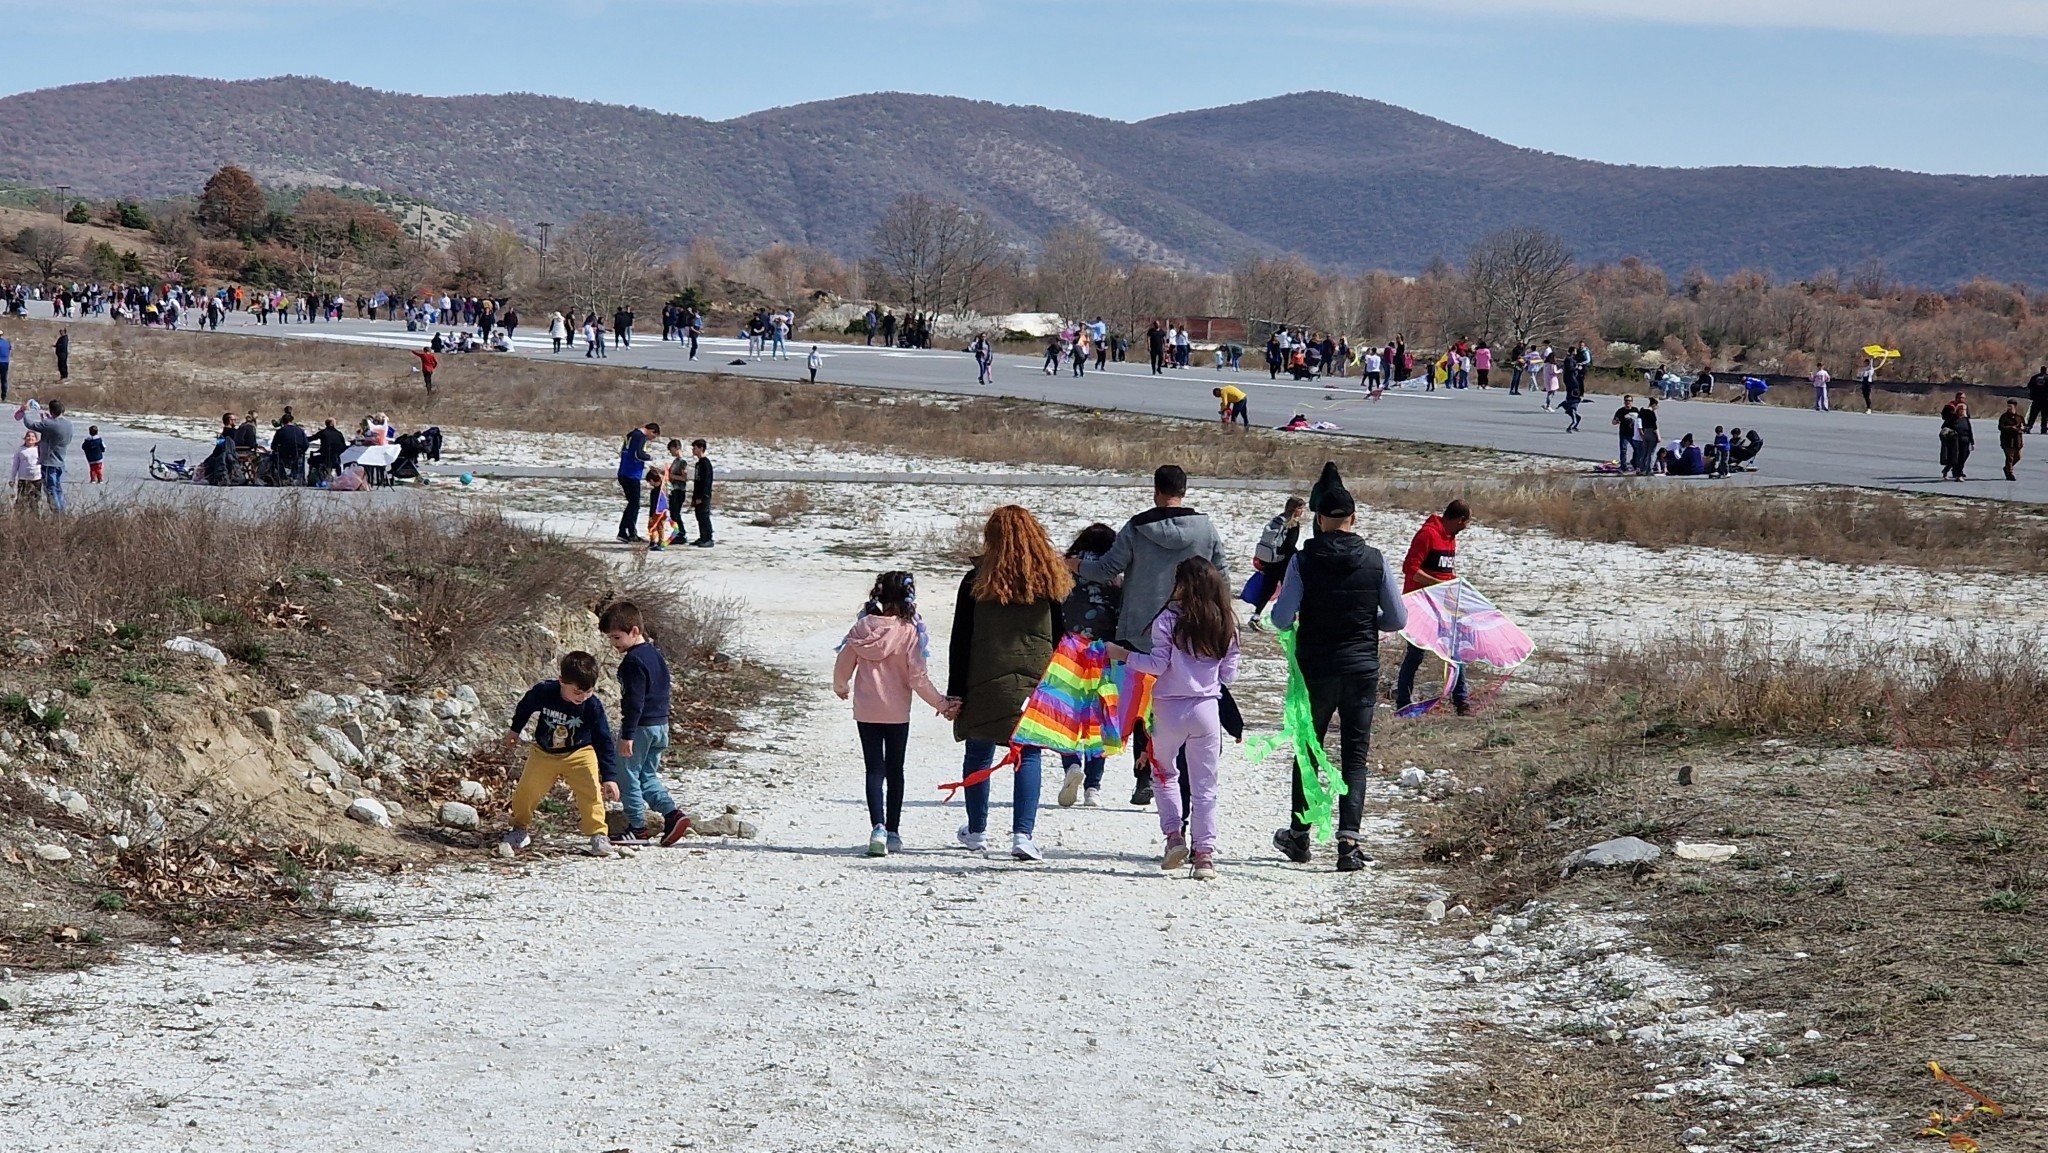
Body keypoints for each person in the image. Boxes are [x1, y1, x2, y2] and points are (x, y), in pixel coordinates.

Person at [1267, 485, 1406, 872]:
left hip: (1316, 668)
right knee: (1355, 756)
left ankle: (1299, 836)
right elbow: (1397, 619)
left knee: (1309, 751)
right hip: (1361, 668)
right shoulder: (1375, 560)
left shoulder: (1303, 561)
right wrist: (1366, 624)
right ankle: (1348, 843)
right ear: (1354, 518)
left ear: (1320, 520)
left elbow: (1281, 617)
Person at [1077, 465, 1232, 806]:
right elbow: (1221, 575)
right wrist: (1222, 618)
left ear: (1156, 490)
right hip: (1194, 625)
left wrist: (1072, 565)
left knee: (1144, 704)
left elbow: (1106, 570)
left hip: (1140, 628)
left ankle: (1145, 777)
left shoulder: (1137, 527)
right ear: (1184, 491)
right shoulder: (1205, 528)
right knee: (1188, 697)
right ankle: (1181, 780)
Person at [947, 505, 1071, 862]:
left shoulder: (976, 579)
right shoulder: (1048, 578)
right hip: (1036, 678)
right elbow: (1062, 635)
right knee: (1028, 753)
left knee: (979, 751)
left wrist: (956, 690)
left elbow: (961, 639)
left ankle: (977, 831)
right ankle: (1023, 835)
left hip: (985, 676)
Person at [1107, 558, 1239, 881]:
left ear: (1181, 584)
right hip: (1207, 710)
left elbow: (1157, 665)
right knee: (1205, 786)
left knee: (1164, 773)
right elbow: (1230, 675)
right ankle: (1205, 855)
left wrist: (1122, 655)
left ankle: (1173, 837)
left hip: (1168, 709)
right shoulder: (1225, 622)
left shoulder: (1167, 619)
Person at [834, 572, 954, 856]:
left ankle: (876, 826)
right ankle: (893, 831)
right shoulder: (909, 632)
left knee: (874, 770)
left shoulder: (862, 627)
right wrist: (942, 704)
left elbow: (843, 664)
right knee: (895, 771)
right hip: (897, 712)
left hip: (866, 709)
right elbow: (918, 679)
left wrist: (841, 687)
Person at [501, 652, 618, 858]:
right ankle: (519, 829)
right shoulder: (545, 691)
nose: (581, 697)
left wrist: (609, 777)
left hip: (580, 753)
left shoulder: (592, 705)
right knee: (526, 791)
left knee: (591, 792)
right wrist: (514, 731)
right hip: (544, 753)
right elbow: (525, 706)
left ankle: (598, 835)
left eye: (588, 692)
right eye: (577, 692)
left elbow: (604, 740)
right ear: (562, 681)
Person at [599, 601, 692, 848]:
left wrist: (627, 735)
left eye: (617, 637)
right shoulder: (655, 654)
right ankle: (673, 815)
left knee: (627, 776)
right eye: (611, 638)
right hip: (660, 725)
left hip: (639, 728)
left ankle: (637, 829)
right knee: (646, 775)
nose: (614, 644)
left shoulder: (632, 662)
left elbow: (634, 703)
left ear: (635, 631)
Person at [1057, 523, 1122, 808]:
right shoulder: (1114, 574)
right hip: (1104, 651)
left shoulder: (1063, 569)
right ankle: (1093, 787)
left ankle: (1071, 765)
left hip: (1068, 648)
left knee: (1067, 713)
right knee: (1100, 717)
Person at [1395, 501, 1471, 714]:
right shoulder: (1427, 535)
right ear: (1459, 520)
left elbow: (1443, 572)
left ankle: (1461, 702)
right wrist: (1439, 585)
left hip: (1443, 603)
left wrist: (1455, 585)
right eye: (1466, 524)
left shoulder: (1451, 538)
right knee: (1416, 654)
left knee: (1454, 650)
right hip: (1420, 603)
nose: (1465, 528)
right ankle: (1403, 701)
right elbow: (1410, 569)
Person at [1247, 496, 1305, 629]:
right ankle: (1287, 619)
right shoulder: (1293, 524)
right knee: (1289, 591)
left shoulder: (1278, 520)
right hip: (1284, 562)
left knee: (1268, 589)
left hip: (1271, 560)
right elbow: (1289, 545)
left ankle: (1256, 616)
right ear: (1295, 509)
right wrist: (1298, 555)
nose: (1302, 512)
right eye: (1301, 508)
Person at [16, 399, 73, 513]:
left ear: (51, 411)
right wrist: (47, 421)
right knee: (58, 489)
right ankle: (62, 511)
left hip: (49, 463)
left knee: (51, 490)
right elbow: (51, 433)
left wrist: (26, 412)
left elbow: (30, 424)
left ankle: (57, 515)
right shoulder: (68, 424)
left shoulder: (49, 424)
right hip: (60, 462)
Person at [616, 421, 658, 543]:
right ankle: (628, 533)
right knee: (634, 505)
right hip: (631, 474)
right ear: (651, 431)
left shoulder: (630, 435)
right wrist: (649, 457)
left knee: (632, 504)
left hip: (623, 472)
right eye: (653, 436)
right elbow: (638, 454)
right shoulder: (640, 437)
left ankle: (625, 531)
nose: (652, 439)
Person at [686, 439, 715, 547]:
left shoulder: (706, 463)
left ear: (701, 448)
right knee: (699, 516)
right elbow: (697, 482)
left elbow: (707, 481)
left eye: (695, 448)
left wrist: (702, 496)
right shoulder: (698, 463)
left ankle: (708, 538)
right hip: (698, 494)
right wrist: (694, 497)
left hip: (704, 495)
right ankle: (702, 537)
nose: (693, 450)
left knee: (704, 516)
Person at [1940, 393, 1973, 481]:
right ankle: (1955, 472)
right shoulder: (1949, 407)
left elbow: (1969, 429)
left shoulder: (1965, 418)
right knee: (1954, 457)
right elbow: (1944, 420)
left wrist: (1972, 441)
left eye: (1964, 398)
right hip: (1954, 439)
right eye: (1961, 397)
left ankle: (1958, 471)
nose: (1962, 399)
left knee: (1963, 455)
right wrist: (1954, 415)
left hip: (1965, 439)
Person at [270, 416, 309, 486]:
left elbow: (273, 446)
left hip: (283, 456)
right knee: (300, 459)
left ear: (283, 422)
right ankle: (297, 478)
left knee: (274, 457)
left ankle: (282, 477)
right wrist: (301, 451)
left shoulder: (280, 431)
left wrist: (279, 449)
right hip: (297, 455)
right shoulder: (300, 430)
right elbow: (306, 444)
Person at [312, 419, 346, 485]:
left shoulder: (323, 432)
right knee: (337, 463)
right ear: (332, 424)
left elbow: (312, 438)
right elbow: (343, 447)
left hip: (324, 458)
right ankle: (339, 479)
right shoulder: (338, 434)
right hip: (336, 459)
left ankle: (318, 477)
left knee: (311, 460)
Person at [1611, 395, 1640, 471]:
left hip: (1634, 434)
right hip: (1624, 433)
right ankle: (1623, 466)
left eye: (1629, 401)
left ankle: (1634, 463)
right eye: (1626, 400)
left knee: (1637, 449)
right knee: (1623, 450)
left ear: (1632, 402)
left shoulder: (1635, 410)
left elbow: (1640, 420)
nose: (1628, 402)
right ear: (1624, 402)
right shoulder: (1620, 411)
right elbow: (1613, 422)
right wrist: (1617, 421)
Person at [11, 430, 39, 510]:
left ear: (36, 439)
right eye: (28, 436)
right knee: (21, 500)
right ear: (25, 438)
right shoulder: (20, 450)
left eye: (33, 436)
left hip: (36, 479)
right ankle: (19, 519)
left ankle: (35, 520)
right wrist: (12, 479)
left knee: (34, 502)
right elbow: (15, 465)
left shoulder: (39, 449)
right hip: (23, 479)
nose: (30, 438)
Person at [1999, 399, 2025, 481]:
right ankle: (2009, 473)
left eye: (2011, 406)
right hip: (2007, 441)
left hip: (2017, 441)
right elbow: (2001, 427)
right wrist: (2011, 428)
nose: (2009, 408)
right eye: (2008, 406)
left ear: (2015, 407)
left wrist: (2023, 428)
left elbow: (2024, 426)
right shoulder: (2004, 417)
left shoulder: (2019, 417)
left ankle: (2007, 468)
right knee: (2009, 457)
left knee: (2018, 457)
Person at [2028, 364, 2048, 435]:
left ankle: (2029, 427)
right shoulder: (2047, 377)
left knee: (2033, 415)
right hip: (2045, 400)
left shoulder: (2034, 377)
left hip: (2036, 399)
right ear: (2046, 370)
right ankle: (2043, 429)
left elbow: (2029, 386)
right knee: (2044, 416)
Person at [0, 331, 11, 401]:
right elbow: (9, 349)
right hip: (5, 362)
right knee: (4, 380)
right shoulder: (7, 343)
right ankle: (3, 395)